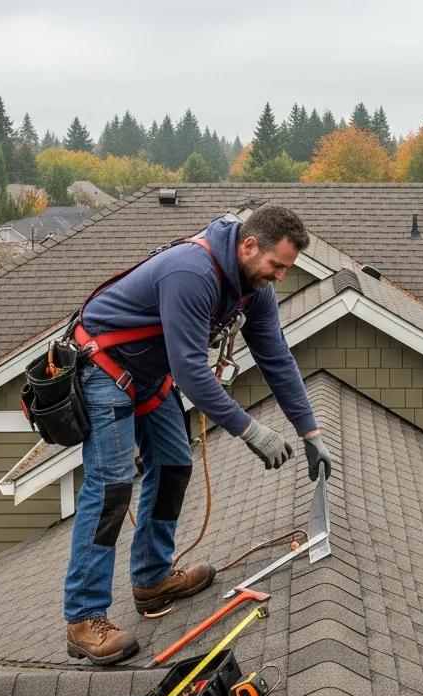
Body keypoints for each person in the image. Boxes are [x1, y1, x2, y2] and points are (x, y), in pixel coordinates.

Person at [63, 205, 332, 665]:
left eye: (287, 268)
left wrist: (310, 431)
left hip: (148, 374)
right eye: (277, 265)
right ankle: (84, 619)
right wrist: (251, 431)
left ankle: (151, 578)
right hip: (104, 369)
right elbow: (190, 371)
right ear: (249, 246)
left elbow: (277, 360)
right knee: (111, 489)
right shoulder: (192, 272)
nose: (281, 277)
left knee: (173, 464)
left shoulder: (253, 288)